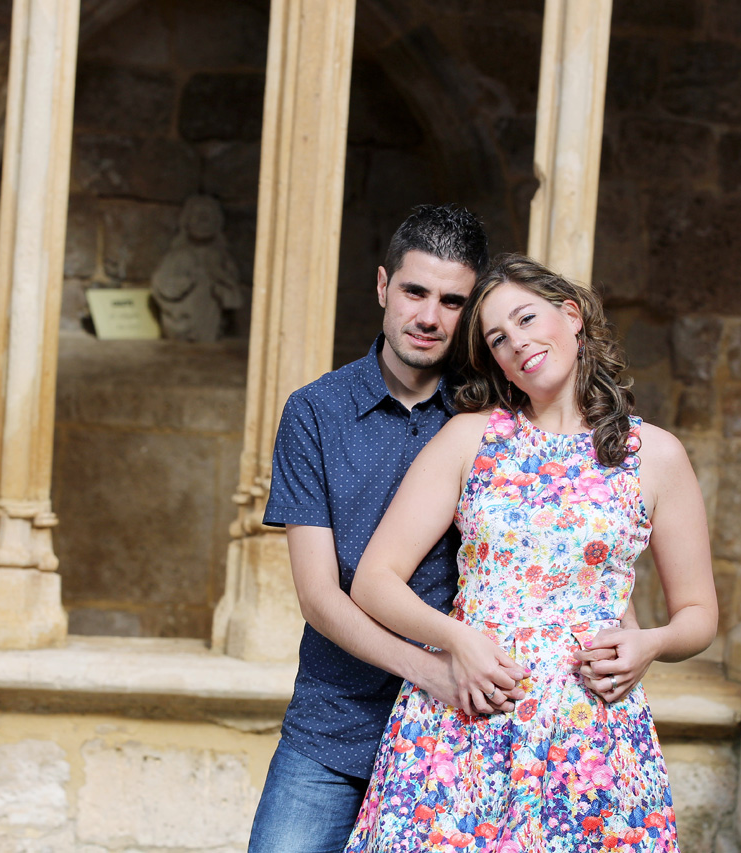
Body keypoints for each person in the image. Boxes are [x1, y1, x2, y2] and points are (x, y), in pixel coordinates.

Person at [345, 254, 718, 852]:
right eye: (497, 338)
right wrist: (459, 639)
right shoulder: (471, 437)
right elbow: (374, 579)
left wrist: (650, 644)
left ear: (571, 316)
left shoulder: (657, 456)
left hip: (591, 737)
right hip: (464, 726)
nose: (516, 342)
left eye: (525, 319)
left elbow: (699, 614)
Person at [247, 204, 519, 853]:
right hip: (334, 728)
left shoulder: (493, 416)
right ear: (382, 286)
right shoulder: (316, 412)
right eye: (414, 291)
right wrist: (425, 668)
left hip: (459, 729)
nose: (429, 316)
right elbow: (318, 595)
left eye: (452, 301)